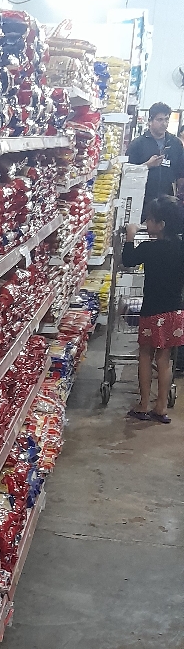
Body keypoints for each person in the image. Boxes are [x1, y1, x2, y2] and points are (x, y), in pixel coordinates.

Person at [121, 195, 184, 423]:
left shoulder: (150, 247)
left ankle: (143, 404)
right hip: (175, 311)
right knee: (164, 359)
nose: (146, 223)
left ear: (161, 224)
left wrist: (130, 236)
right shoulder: (181, 246)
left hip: (152, 311)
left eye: (149, 220)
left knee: (146, 355)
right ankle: (161, 407)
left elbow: (128, 259)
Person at [127, 102, 184, 218]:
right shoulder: (137, 144)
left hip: (167, 202)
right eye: (160, 120)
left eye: (166, 119)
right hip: (143, 201)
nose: (164, 123)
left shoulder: (175, 144)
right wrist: (147, 165)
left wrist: (179, 197)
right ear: (150, 121)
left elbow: (180, 173)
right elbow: (127, 173)